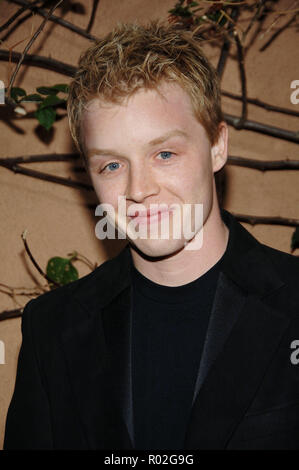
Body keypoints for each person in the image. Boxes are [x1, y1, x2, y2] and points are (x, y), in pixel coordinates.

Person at [4, 20, 299, 450]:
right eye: (111, 165)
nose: (138, 189)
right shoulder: (52, 328)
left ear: (218, 146)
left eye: (164, 153)